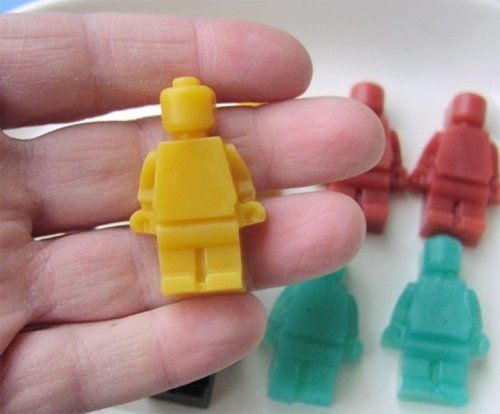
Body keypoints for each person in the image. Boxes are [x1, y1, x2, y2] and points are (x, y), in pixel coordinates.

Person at [0, 13, 384, 412]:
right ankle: (187, 278)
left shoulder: (220, 151)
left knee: (221, 263)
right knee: (181, 267)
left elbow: (240, 181)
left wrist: (246, 205)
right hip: (175, 227)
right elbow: (149, 188)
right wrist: (148, 212)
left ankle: (215, 275)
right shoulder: (162, 156)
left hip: (220, 221)